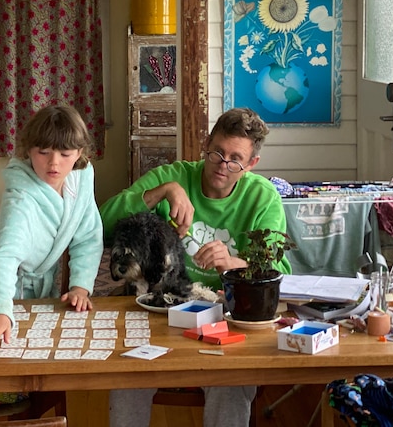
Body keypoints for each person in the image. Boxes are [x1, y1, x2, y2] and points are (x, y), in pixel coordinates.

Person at [99, 107, 289, 427]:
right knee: (127, 376)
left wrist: (235, 264)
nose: (222, 165)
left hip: (224, 315)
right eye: (216, 152)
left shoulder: (263, 197)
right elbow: (101, 224)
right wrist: (164, 191)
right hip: (158, 309)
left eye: (234, 159)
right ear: (206, 144)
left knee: (231, 384)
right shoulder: (172, 175)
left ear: (252, 163)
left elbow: (280, 269)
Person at [0, 104, 104, 352]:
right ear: (28, 151)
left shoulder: (82, 177)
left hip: (42, 286)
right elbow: (5, 256)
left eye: (65, 154)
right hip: (0, 284)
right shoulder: (20, 197)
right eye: (43, 152)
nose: (54, 164)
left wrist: (80, 287)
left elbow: (88, 237)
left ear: (80, 153)